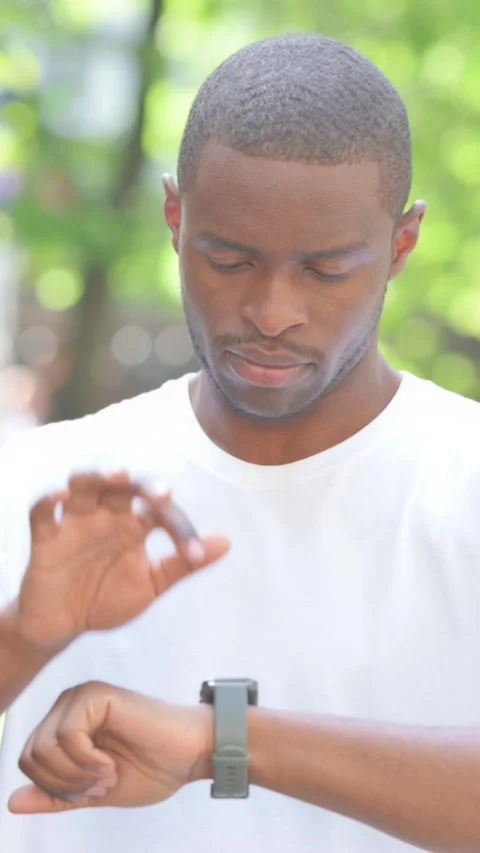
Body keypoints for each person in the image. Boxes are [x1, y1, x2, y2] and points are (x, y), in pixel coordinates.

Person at [0, 31, 480, 853]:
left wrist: (224, 739)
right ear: (174, 219)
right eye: (228, 258)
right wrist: (23, 639)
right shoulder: (41, 489)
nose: (271, 310)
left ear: (401, 246)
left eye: (326, 271)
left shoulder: (463, 481)